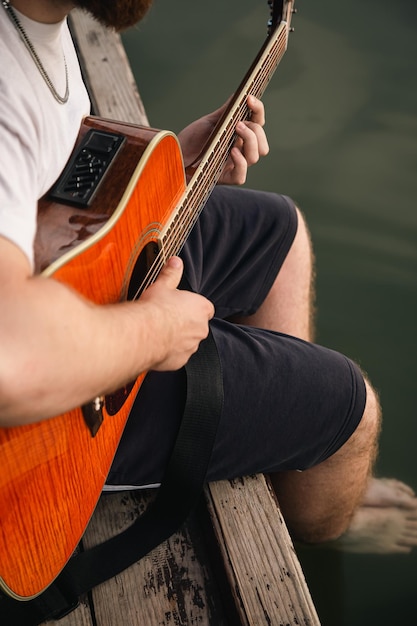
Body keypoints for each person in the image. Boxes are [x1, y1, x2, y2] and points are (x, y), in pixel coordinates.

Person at [0, 0, 416, 563]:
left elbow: (35, 183)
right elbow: (10, 354)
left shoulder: (34, 19)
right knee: (352, 411)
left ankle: (281, 457)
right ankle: (319, 510)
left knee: (279, 231)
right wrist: (157, 331)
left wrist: (165, 174)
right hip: (41, 429)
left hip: (67, 279)